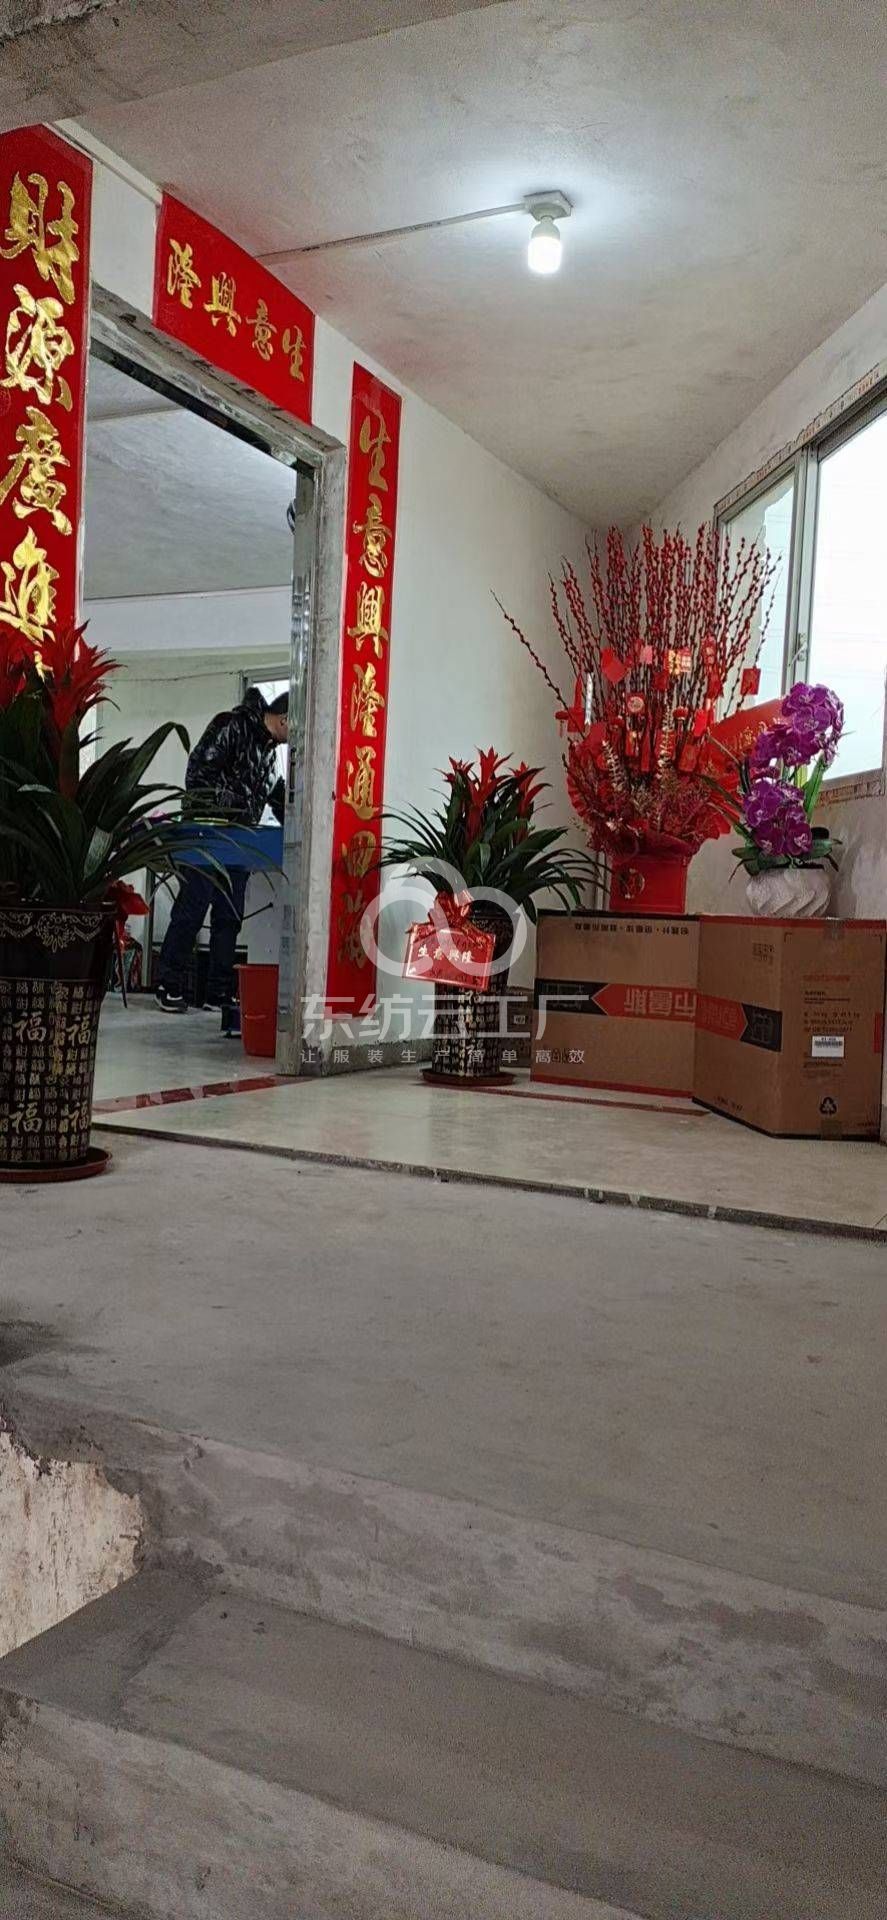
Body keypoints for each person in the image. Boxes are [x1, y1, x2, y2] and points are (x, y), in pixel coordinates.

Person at [155, 687, 289, 1013]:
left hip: (240, 842)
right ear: (285, 719)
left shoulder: (272, 757)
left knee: (230, 917)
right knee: (192, 908)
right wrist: (227, 804)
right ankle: (168, 984)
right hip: (208, 832)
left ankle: (218, 992)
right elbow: (198, 773)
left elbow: (277, 798)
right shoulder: (230, 725)